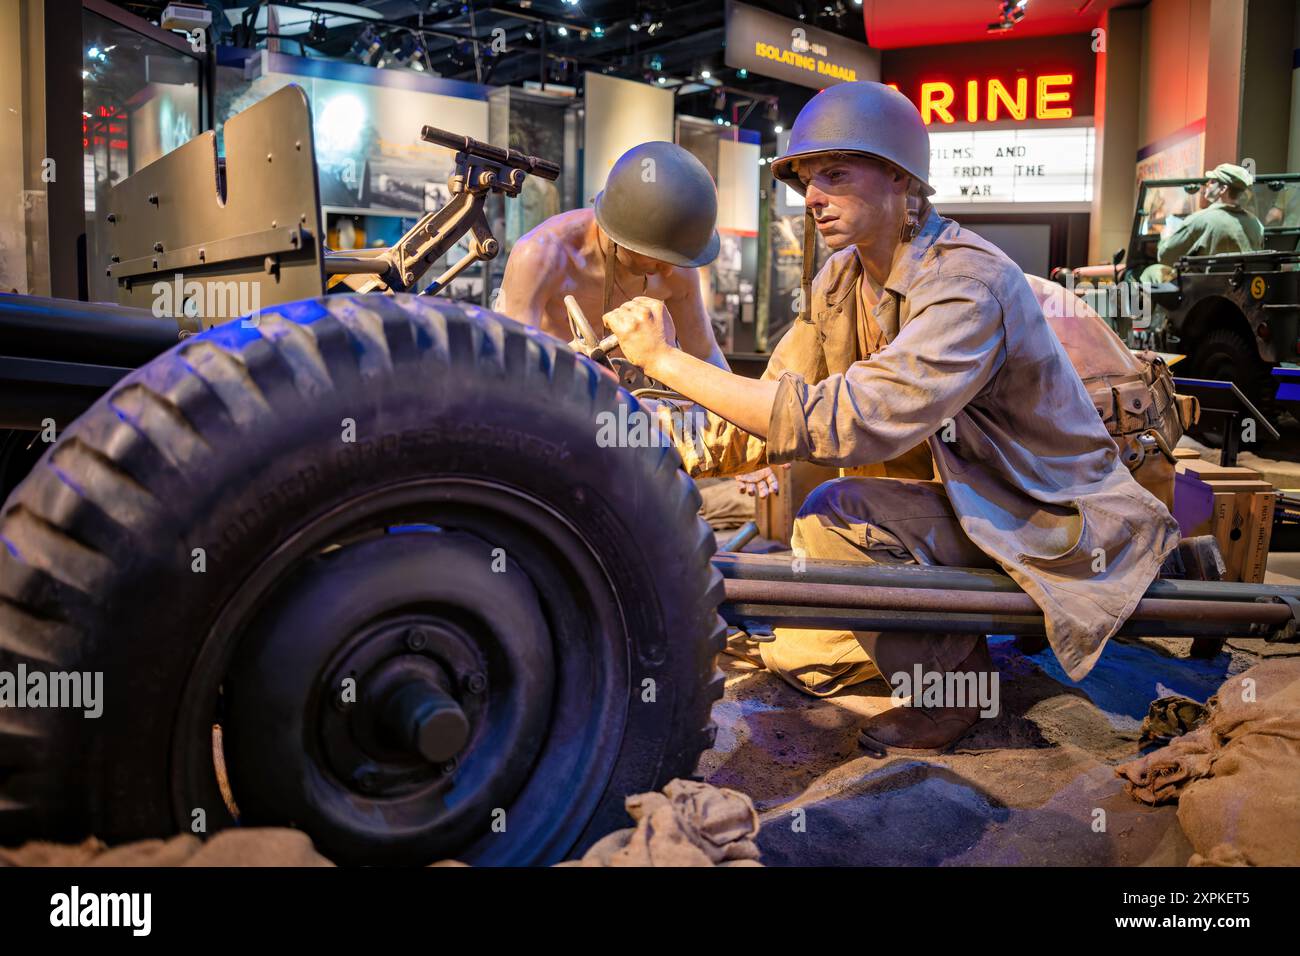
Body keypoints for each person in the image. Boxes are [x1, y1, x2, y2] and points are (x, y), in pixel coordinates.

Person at [603, 81, 1182, 755]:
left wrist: (667, 361)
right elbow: (775, 406)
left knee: (834, 512)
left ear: (902, 181)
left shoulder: (967, 285)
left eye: (836, 174)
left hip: (1038, 511)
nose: (813, 196)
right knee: (804, 654)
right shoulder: (843, 278)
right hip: (957, 498)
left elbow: (847, 423)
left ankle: (954, 695)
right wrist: (645, 431)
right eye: (807, 180)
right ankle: (951, 632)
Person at [496, 141, 727, 369]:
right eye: (658, 258)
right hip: (553, 395)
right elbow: (511, 361)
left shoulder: (677, 270)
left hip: (630, 398)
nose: (667, 271)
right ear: (620, 234)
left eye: (674, 260)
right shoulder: (540, 256)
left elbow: (706, 356)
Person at [1157, 163, 1263, 265]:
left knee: (1151, 273)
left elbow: (1165, 257)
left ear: (1223, 189)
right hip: (1244, 282)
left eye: (1212, 181)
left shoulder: (1200, 220)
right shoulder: (1256, 224)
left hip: (1203, 283)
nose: (1207, 184)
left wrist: (1166, 236)